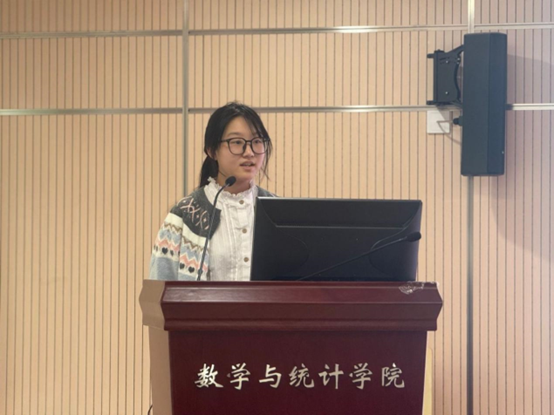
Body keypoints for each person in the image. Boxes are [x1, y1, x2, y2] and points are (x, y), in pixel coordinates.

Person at [149, 102, 275, 281]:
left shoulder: (278, 212)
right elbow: (159, 289)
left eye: (257, 142)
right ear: (212, 150)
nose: (249, 152)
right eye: (237, 142)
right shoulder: (184, 215)